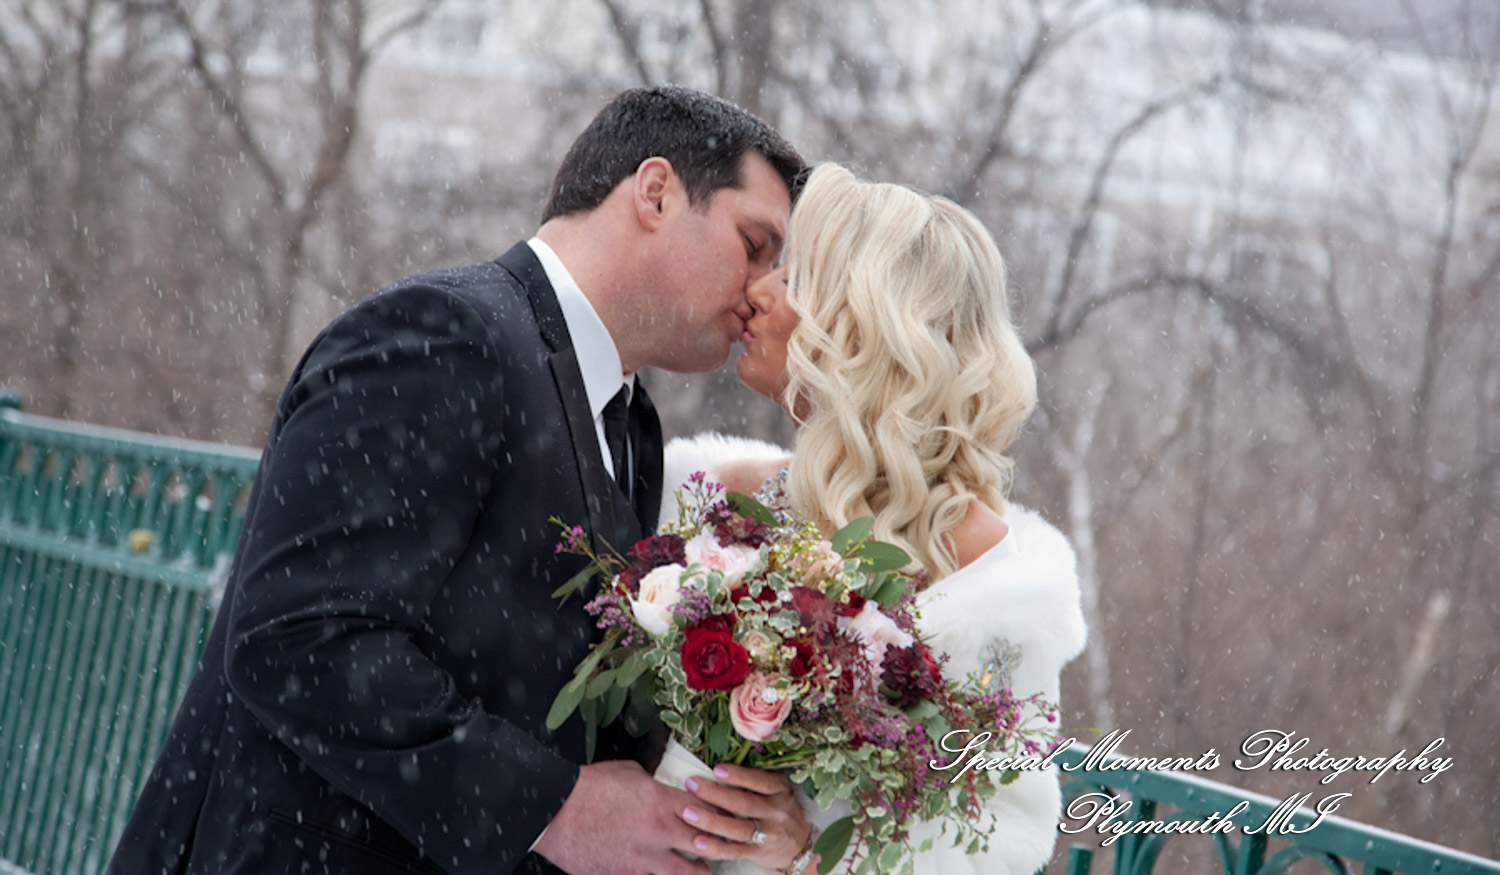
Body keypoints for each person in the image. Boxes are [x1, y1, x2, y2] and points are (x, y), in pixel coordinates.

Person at [106, 86, 816, 875]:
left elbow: (564, 699)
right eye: (754, 243)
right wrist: (551, 806)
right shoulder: (444, 336)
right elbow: (299, 637)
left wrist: (738, 811)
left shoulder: (631, 423)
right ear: (654, 194)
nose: (763, 288)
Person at [660, 163, 1089, 874]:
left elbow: (995, 842)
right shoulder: (716, 494)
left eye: (797, 280)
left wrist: (808, 854)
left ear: (863, 329)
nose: (756, 290)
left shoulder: (983, 571)